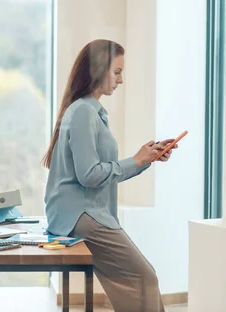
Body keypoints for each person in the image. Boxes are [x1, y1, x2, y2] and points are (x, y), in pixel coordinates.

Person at [42, 39, 177, 312]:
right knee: (144, 278)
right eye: (116, 72)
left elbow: (102, 172)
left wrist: (145, 160)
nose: (121, 80)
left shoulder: (91, 112)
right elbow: (89, 175)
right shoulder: (83, 112)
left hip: (85, 213)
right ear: (99, 70)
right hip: (79, 215)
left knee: (142, 278)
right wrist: (136, 159)